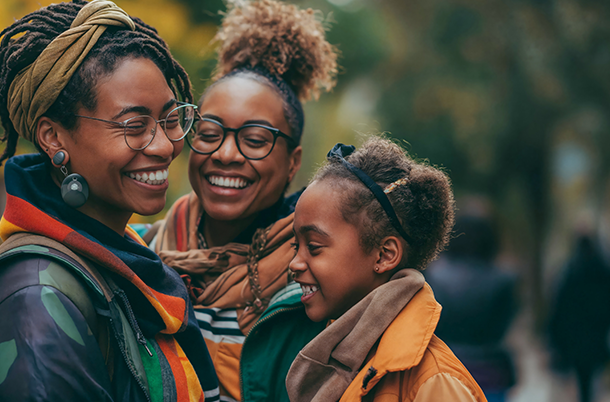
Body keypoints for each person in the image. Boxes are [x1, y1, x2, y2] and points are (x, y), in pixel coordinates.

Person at [0, 1, 218, 400]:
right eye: (134, 126)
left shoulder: (126, 260)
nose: (166, 145)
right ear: (53, 138)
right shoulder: (33, 302)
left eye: (170, 119)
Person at [148, 1, 338, 400]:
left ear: (293, 163)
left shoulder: (319, 281)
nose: (226, 154)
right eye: (210, 132)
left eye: (255, 140)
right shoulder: (139, 254)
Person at [286, 139, 487, 402]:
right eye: (295, 245)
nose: (294, 264)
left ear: (384, 255)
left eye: (313, 246)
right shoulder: (338, 353)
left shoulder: (435, 384)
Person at [424, 212, 518, 402]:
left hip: (443, 369)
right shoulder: (503, 280)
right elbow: (503, 326)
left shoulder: (432, 276)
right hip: (490, 374)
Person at [548, 233, 610, 402]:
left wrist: (555, 339)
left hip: (575, 340)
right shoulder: (603, 271)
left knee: (582, 380)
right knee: (592, 379)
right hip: (596, 338)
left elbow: (559, 307)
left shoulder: (570, 271)